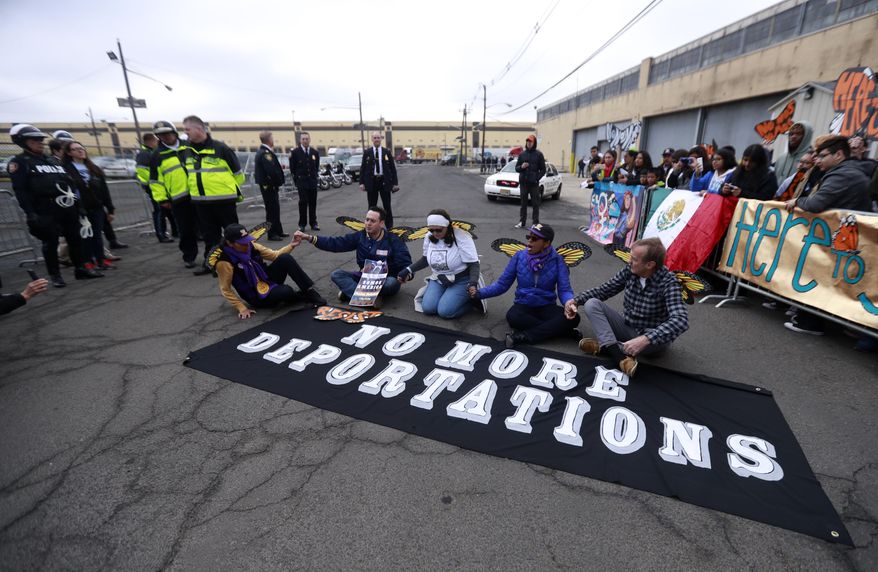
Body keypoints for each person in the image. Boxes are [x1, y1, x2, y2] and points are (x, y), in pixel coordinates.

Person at [782, 135, 872, 336]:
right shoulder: (848, 171)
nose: (817, 160)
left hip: (840, 239)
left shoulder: (842, 175)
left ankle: (811, 322)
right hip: (847, 238)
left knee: (822, 275)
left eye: (822, 156)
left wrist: (798, 201)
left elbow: (815, 204)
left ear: (839, 154)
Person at [566, 237, 688, 377]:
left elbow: (681, 320)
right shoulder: (630, 270)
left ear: (650, 265)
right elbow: (605, 289)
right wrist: (575, 301)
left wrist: (645, 339)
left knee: (655, 344)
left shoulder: (669, 282)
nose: (629, 261)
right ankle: (620, 357)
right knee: (591, 304)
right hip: (627, 326)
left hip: (651, 341)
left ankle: (607, 347)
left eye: (635, 259)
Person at [7, 124, 101, 287]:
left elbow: (69, 184)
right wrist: (30, 213)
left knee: (75, 239)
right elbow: (21, 190)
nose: (40, 142)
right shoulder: (20, 162)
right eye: (34, 140)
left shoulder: (52, 161)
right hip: (45, 209)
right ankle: (55, 275)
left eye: (40, 139)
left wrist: (78, 207)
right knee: (50, 243)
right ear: (22, 142)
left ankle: (80, 269)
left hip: (67, 207)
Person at [471, 223, 580, 348]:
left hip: (547, 306)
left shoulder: (558, 260)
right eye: (528, 237)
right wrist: (479, 294)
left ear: (546, 243)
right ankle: (561, 331)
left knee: (574, 318)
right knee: (513, 317)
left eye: (534, 239)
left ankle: (523, 336)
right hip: (523, 305)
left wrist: (569, 302)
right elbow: (502, 284)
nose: (529, 242)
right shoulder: (519, 256)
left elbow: (564, 289)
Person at [294, 206, 411, 308]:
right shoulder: (360, 236)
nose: (368, 223)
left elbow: (405, 263)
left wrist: (407, 274)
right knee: (337, 274)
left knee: (390, 284)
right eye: (367, 220)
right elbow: (335, 243)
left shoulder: (393, 239)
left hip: (386, 278)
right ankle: (369, 299)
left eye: (373, 221)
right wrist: (308, 237)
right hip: (363, 277)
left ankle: (352, 293)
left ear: (381, 223)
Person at [214, 223, 326, 319]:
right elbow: (225, 289)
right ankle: (294, 296)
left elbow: (275, 255)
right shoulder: (224, 262)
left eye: (247, 240)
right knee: (286, 291)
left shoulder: (251, 245)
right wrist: (241, 308)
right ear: (230, 243)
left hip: (267, 280)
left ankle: (309, 292)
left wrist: (292, 245)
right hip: (255, 295)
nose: (246, 244)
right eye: (242, 243)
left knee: (285, 258)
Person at [181, 115, 244, 276]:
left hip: (224, 201)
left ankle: (239, 262)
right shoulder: (186, 151)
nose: (185, 133)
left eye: (187, 129)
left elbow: (238, 174)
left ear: (199, 129)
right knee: (210, 237)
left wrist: (227, 191)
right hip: (201, 203)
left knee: (233, 234)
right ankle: (213, 264)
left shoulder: (221, 148)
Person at [397, 209, 480, 319]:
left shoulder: (461, 235)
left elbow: (474, 264)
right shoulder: (429, 236)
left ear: (447, 226)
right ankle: (448, 295)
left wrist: (473, 283)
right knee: (428, 308)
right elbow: (425, 259)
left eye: (439, 230)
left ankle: (470, 302)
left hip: (461, 279)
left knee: (445, 312)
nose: (435, 233)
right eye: (431, 230)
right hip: (439, 278)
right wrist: (408, 270)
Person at [150, 120, 202, 270]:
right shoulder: (157, 155)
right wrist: (162, 199)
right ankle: (189, 257)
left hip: (199, 194)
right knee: (185, 230)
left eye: (167, 133)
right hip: (179, 198)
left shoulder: (189, 146)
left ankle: (212, 256)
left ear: (174, 132)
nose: (165, 137)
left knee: (207, 228)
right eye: (161, 135)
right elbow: (155, 180)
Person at [62, 141, 115, 273]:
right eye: (75, 149)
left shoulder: (94, 169)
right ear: (69, 153)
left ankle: (101, 260)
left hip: (96, 207)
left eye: (81, 148)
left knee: (96, 235)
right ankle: (87, 262)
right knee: (85, 236)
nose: (80, 151)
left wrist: (110, 209)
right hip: (78, 209)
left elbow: (104, 190)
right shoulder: (66, 169)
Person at [136, 133, 175, 243]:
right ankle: (161, 234)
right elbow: (142, 171)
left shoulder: (150, 152)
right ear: (151, 141)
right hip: (153, 186)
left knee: (166, 210)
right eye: (156, 141)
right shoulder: (144, 154)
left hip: (158, 186)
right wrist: (151, 183)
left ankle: (173, 231)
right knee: (159, 211)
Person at [359, 132, 400, 228]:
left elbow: (392, 168)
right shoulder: (367, 152)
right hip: (371, 182)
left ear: (381, 139)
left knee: (387, 206)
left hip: (384, 182)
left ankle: (389, 227)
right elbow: (363, 168)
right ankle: (370, 226)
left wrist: (395, 183)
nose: (377, 139)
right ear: (372, 139)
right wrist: (361, 183)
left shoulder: (387, 152)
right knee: (372, 206)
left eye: (378, 137)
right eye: (375, 138)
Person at [255, 131, 287, 240]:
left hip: (270, 186)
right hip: (269, 186)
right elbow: (271, 171)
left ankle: (278, 231)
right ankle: (272, 233)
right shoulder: (265, 153)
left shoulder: (266, 151)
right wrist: (278, 182)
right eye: (272, 138)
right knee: (272, 211)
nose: (273, 140)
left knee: (275, 209)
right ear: (269, 139)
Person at [289, 131, 321, 232]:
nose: (305, 141)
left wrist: (314, 177)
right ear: (300, 140)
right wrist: (297, 180)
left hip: (312, 181)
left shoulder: (314, 152)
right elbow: (292, 168)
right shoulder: (295, 152)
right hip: (302, 182)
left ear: (310, 140)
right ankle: (302, 224)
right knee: (303, 203)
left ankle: (313, 223)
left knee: (313, 203)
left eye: (307, 139)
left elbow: (316, 166)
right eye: (303, 139)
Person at [514, 134, 547, 229]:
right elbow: (516, 168)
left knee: (535, 204)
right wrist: (521, 167)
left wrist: (537, 178)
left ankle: (535, 223)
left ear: (534, 143)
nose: (529, 143)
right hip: (524, 183)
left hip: (534, 184)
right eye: (527, 141)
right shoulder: (522, 154)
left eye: (531, 141)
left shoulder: (539, 154)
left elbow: (543, 170)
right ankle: (522, 221)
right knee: (523, 203)